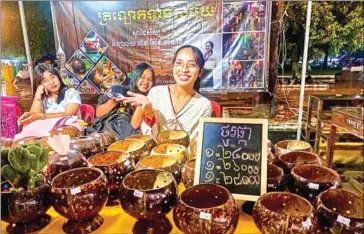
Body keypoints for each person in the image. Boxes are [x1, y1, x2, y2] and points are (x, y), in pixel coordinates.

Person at [121, 45, 212, 140]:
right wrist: (148, 112)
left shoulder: (204, 106)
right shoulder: (156, 93)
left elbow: (196, 143)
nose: (184, 69)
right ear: (173, 67)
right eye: (179, 63)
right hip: (155, 153)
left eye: (192, 65)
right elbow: (149, 137)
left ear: (200, 72)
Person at [86, 63, 155, 139]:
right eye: (143, 77)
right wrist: (113, 102)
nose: (146, 82)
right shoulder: (118, 89)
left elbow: (134, 125)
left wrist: (140, 104)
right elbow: (99, 113)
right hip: (104, 132)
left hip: (126, 137)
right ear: (135, 76)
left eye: (150, 79)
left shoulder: (150, 99)